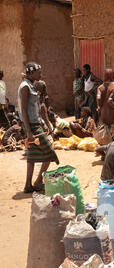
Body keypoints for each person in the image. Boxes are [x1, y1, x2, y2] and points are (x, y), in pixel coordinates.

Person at [18, 62, 59, 193]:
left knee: (31, 157)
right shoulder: (25, 87)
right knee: (50, 153)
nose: (41, 74)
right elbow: (24, 110)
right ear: (31, 73)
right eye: (39, 72)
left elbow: (34, 108)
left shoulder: (31, 86)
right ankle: (38, 182)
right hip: (31, 126)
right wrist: (29, 132)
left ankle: (28, 185)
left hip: (34, 124)